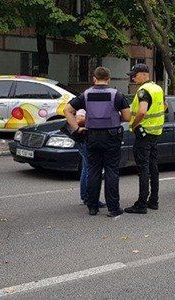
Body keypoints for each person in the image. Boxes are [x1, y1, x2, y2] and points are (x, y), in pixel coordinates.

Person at [65, 67, 131, 218]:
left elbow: (67, 110)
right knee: (111, 171)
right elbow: (127, 117)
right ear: (109, 79)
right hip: (112, 136)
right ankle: (113, 208)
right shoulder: (117, 95)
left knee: (93, 171)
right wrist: (114, 118)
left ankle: (92, 207)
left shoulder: (85, 95)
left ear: (94, 78)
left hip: (92, 136)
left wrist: (76, 129)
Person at [124, 64, 166, 214]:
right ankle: (153, 201)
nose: (133, 78)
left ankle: (141, 204)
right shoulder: (158, 88)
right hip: (155, 134)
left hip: (143, 135)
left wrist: (134, 125)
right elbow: (165, 106)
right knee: (153, 167)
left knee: (143, 169)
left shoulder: (143, 91)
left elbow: (142, 111)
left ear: (143, 74)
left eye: (134, 75)